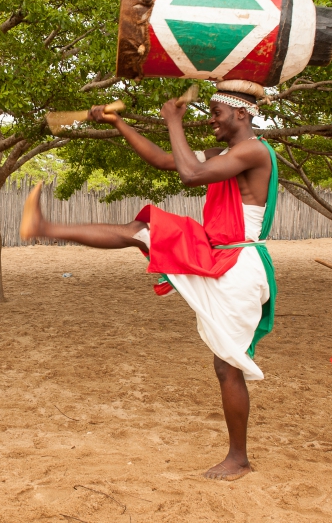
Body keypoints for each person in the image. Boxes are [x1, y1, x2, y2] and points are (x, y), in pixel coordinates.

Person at [20, 88, 279, 481]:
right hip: (218, 254)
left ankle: (238, 458)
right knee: (142, 230)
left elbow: (190, 175)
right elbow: (166, 161)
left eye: (217, 112)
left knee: (227, 366)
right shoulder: (227, 155)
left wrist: (174, 120)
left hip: (238, 264)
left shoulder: (254, 151)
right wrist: (119, 123)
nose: (210, 119)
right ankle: (44, 227)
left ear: (242, 115)